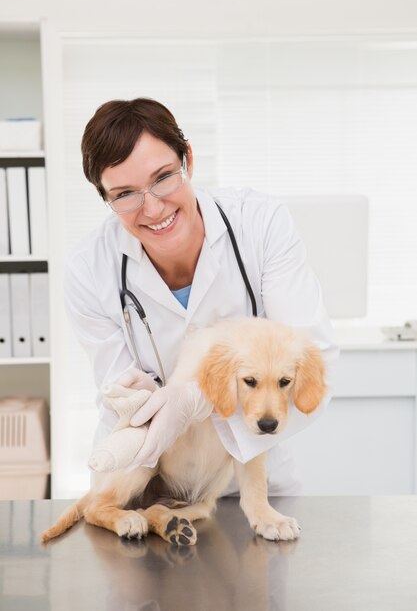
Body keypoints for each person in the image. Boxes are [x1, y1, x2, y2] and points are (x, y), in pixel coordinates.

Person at [65, 97, 339, 495]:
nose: (153, 207)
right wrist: (137, 403)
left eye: (163, 177)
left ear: (188, 160)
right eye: (124, 194)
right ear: (104, 198)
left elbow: (315, 360)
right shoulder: (89, 269)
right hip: (146, 480)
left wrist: (196, 397)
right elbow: (120, 391)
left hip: (249, 482)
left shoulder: (258, 224)